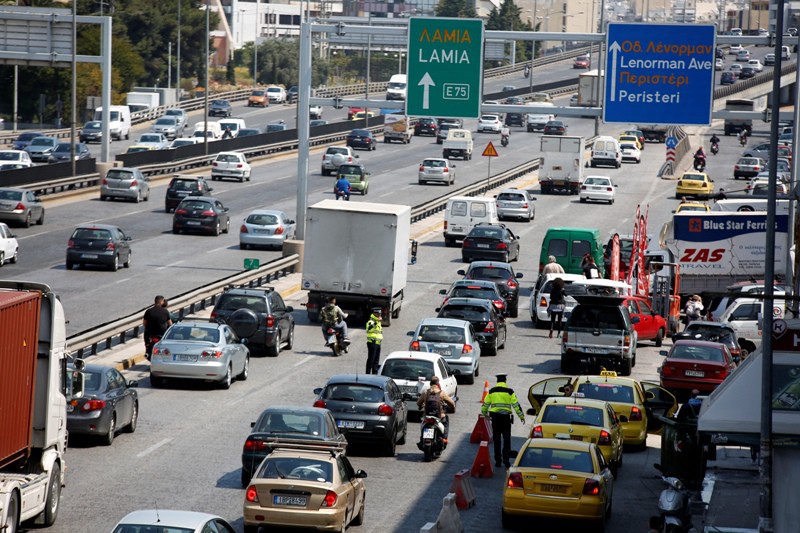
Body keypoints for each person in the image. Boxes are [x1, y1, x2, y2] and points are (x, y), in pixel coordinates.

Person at [481, 373, 525, 468]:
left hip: (495, 419)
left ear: (497, 381)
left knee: (497, 440)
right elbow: (516, 405)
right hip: (506, 419)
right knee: (507, 439)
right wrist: (521, 416)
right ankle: (506, 459)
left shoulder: (492, 391)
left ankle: (498, 461)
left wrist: (485, 414)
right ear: (505, 381)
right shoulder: (509, 391)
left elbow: (485, 404)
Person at [417, 376, 456, 444]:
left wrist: (421, 406)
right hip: (439, 416)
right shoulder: (441, 393)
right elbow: (451, 403)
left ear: (430, 384)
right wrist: (452, 408)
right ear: (438, 384)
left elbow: (418, 403)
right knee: (446, 419)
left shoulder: (426, 392)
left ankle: (421, 439)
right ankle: (445, 438)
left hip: (427, 415)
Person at [143, 295, 172, 360]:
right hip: (161, 335)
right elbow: (170, 324)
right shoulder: (165, 311)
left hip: (150, 334)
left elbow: (144, 324)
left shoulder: (148, 311)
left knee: (147, 346)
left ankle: (148, 351)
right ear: (161, 302)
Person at [365, 307, 383, 374]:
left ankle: (375, 374)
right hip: (372, 343)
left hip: (378, 343)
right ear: (375, 313)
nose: (380, 315)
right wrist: (376, 322)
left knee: (376, 361)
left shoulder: (378, 322)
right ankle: (367, 373)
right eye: (378, 314)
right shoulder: (371, 321)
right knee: (371, 360)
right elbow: (369, 329)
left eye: (380, 313)